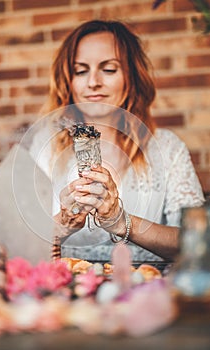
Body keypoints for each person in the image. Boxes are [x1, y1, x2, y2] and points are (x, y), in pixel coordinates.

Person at [29, 19, 204, 263]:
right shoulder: (44, 146)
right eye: (80, 71)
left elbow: (198, 245)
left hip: (146, 290)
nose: (93, 82)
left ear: (132, 76)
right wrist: (63, 224)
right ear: (68, 80)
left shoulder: (167, 147)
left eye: (108, 69)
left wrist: (122, 222)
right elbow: (16, 247)